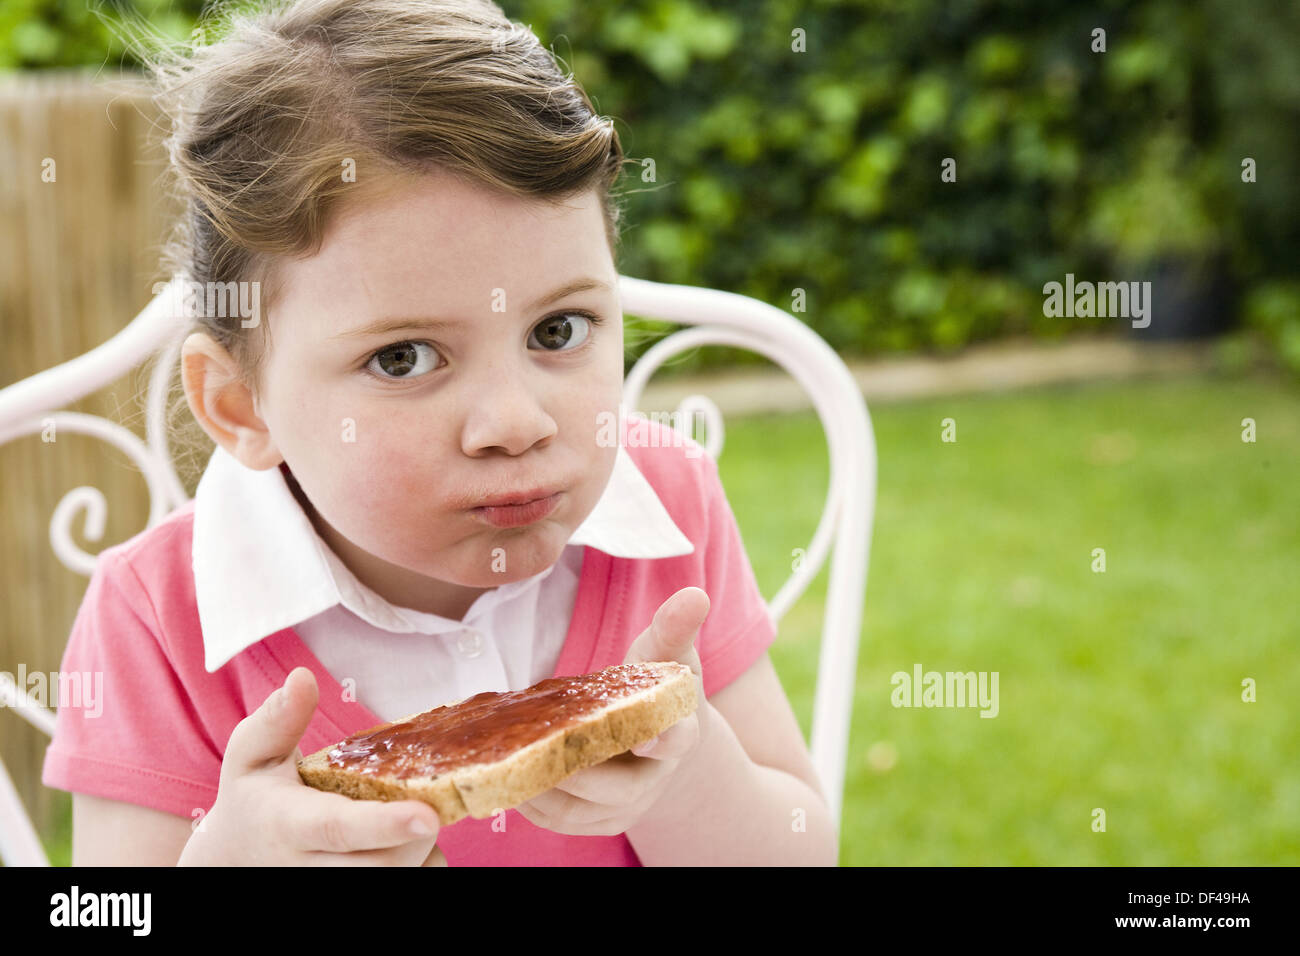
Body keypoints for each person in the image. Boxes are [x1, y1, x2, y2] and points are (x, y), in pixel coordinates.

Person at [41, 0, 836, 866]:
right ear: (241, 406)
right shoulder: (154, 618)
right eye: (404, 358)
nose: (515, 423)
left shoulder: (671, 502)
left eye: (558, 331)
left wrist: (689, 781)